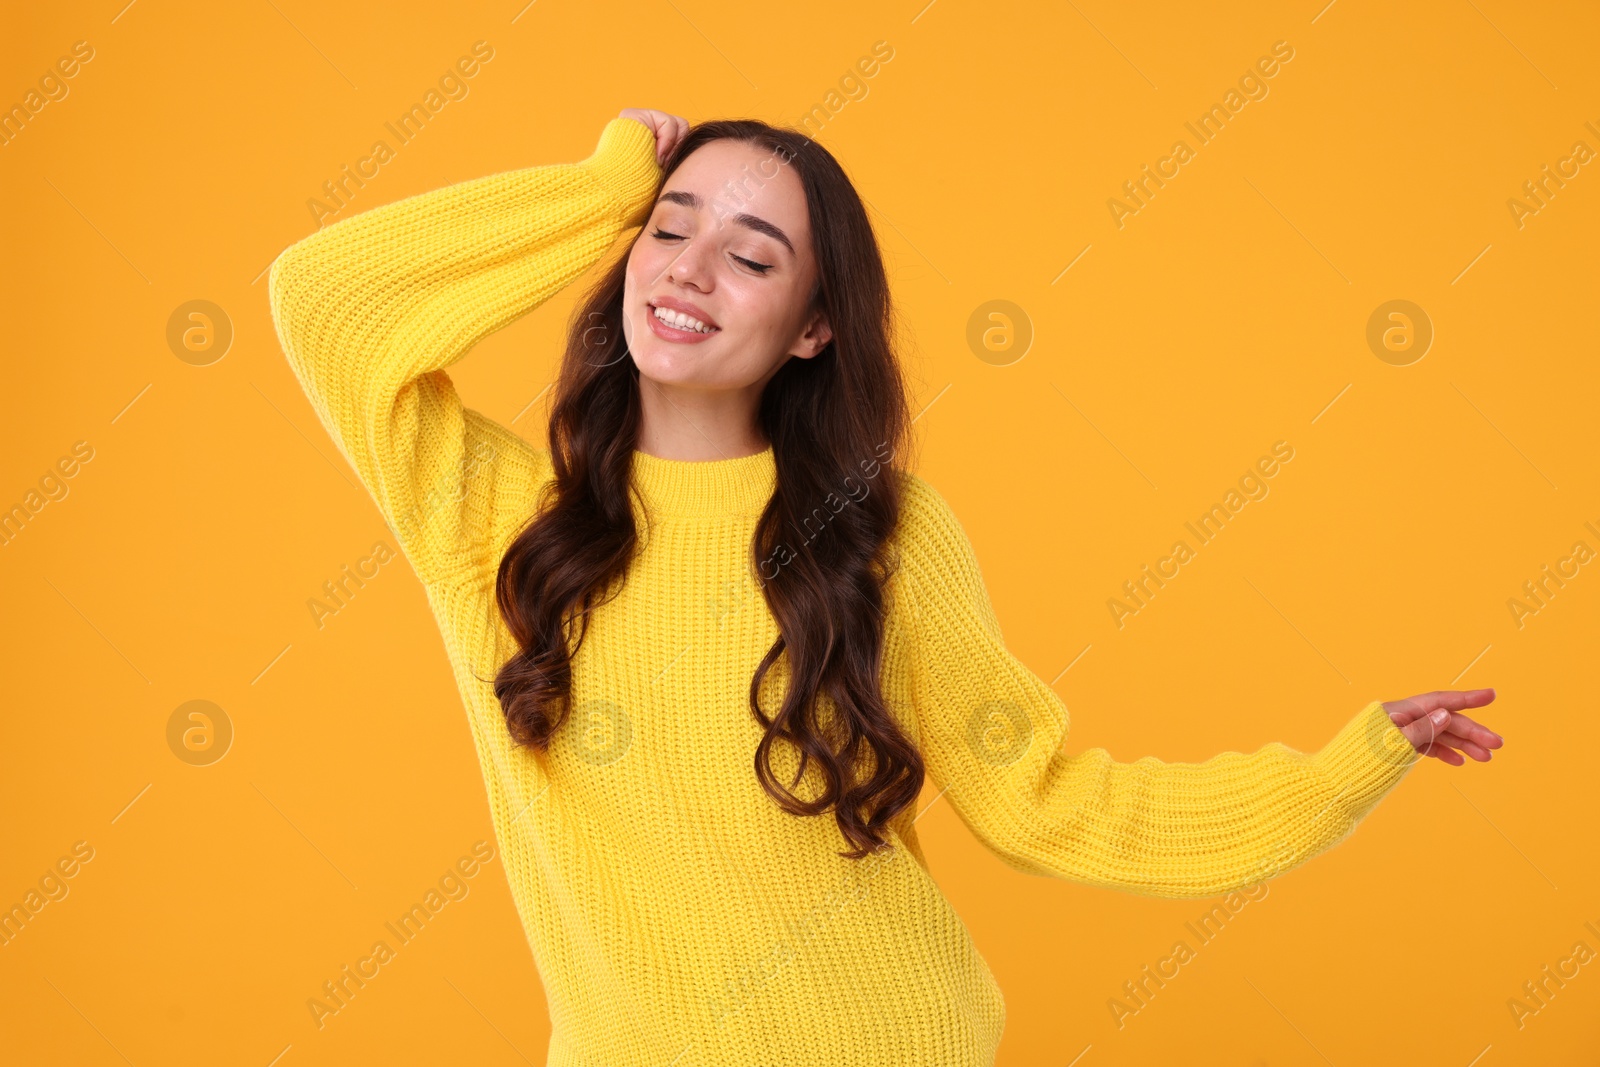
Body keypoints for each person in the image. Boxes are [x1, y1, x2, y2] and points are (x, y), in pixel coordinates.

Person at [267, 108, 1504, 1066]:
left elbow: (1043, 801)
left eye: (749, 256)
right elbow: (323, 300)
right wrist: (601, 188)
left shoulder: (879, 537)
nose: (689, 271)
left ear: (813, 328)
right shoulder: (494, 513)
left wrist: (1340, 768)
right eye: (669, 228)